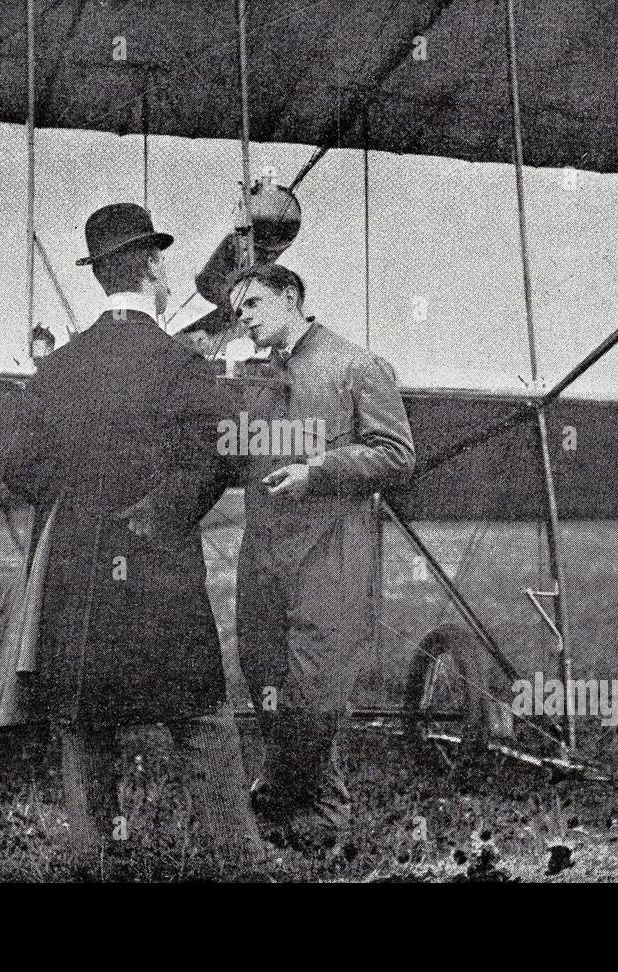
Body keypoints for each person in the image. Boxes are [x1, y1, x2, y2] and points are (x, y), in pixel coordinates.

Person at [2, 202, 263, 874]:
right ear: (150, 268)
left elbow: (16, 464)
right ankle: (237, 857)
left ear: (100, 276)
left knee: (86, 722)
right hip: (159, 569)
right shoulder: (180, 363)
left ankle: (96, 855)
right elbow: (226, 449)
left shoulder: (58, 369)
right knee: (200, 713)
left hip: (79, 571)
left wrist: (81, 497)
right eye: (163, 264)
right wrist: (164, 508)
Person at [228, 262, 415, 854]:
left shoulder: (357, 366)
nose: (245, 319)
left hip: (328, 552)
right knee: (264, 674)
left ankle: (325, 814)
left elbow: (396, 456)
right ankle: (282, 797)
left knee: (314, 685)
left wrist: (319, 471)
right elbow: (237, 458)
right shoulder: (255, 378)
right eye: (239, 311)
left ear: (291, 297)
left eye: (253, 304)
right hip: (264, 554)